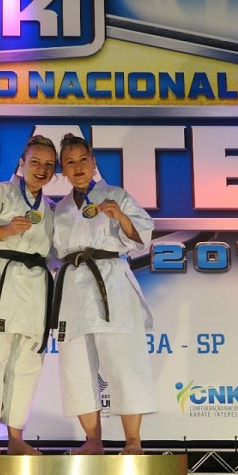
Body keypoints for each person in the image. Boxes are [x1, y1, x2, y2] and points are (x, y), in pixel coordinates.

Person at [51, 133, 157, 455]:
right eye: (70, 162)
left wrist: (120, 216)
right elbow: (51, 253)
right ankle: (93, 440)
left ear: (93, 162)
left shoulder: (116, 195)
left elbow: (143, 236)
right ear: (63, 170)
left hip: (111, 281)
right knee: (76, 366)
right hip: (72, 286)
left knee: (124, 360)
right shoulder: (59, 209)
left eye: (83, 159)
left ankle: (133, 441)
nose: (78, 166)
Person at [0, 134, 57, 455]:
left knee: (28, 363)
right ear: (21, 163)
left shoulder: (51, 209)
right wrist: (6, 229)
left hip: (35, 288)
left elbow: (56, 253)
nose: (41, 169)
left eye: (49, 165)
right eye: (35, 162)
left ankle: (16, 437)